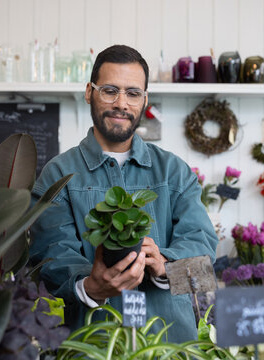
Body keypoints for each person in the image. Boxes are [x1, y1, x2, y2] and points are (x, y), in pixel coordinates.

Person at [29, 45, 218, 343]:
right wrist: (91, 287)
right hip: (94, 344)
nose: (121, 103)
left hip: (170, 345)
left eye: (132, 93)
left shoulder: (174, 172)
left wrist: (164, 266)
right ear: (89, 92)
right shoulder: (58, 174)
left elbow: (205, 268)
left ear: (144, 100)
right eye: (109, 90)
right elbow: (48, 263)